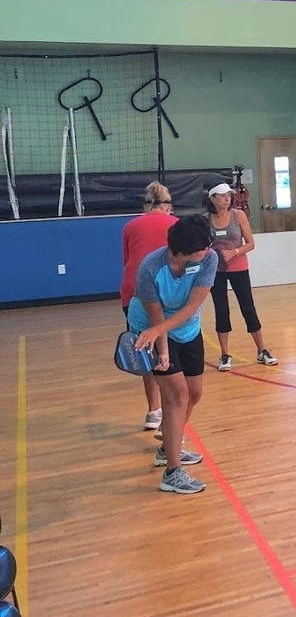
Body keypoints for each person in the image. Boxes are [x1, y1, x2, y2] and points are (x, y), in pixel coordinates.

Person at [130, 214, 218, 494]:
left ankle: (168, 447)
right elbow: (155, 317)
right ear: (184, 251)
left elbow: (191, 308)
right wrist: (162, 350)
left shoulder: (208, 259)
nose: (209, 250)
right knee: (176, 395)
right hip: (148, 329)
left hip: (187, 328)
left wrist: (163, 335)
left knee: (194, 393)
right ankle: (172, 472)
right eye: (203, 247)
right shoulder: (150, 268)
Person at [120, 181, 176, 432]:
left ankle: (154, 411)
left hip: (133, 295)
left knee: (146, 352)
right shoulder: (176, 225)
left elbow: (127, 261)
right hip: (167, 296)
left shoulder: (130, 226)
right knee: (170, 356)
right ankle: (171, 410)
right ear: (166, 205)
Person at [206, 182, 277, 370]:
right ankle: (224, 355)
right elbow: (204, 246)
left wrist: (234, 252)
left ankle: (262, 350)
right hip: (216, 271)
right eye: (221, 196)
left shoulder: (238, 215)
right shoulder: (206, 219)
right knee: (221, 311)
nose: (226, 198)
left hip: (239, 268)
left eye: (228, 195)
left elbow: (251, 244)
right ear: (212, 198)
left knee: (248, 308)